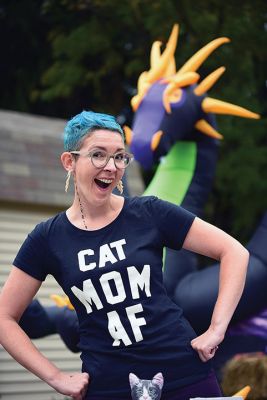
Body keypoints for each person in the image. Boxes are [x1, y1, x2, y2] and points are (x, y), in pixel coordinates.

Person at [0, 110, 249, 400]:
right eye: (98, 155)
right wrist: (55, 377)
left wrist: (217, 329)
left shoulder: (150, 212)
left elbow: (233, 251)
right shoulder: (47, 238)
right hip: (109, 387)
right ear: (70, 161)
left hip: (184, 375)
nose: (111, 166)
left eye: (119, 156)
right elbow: (5, 317)